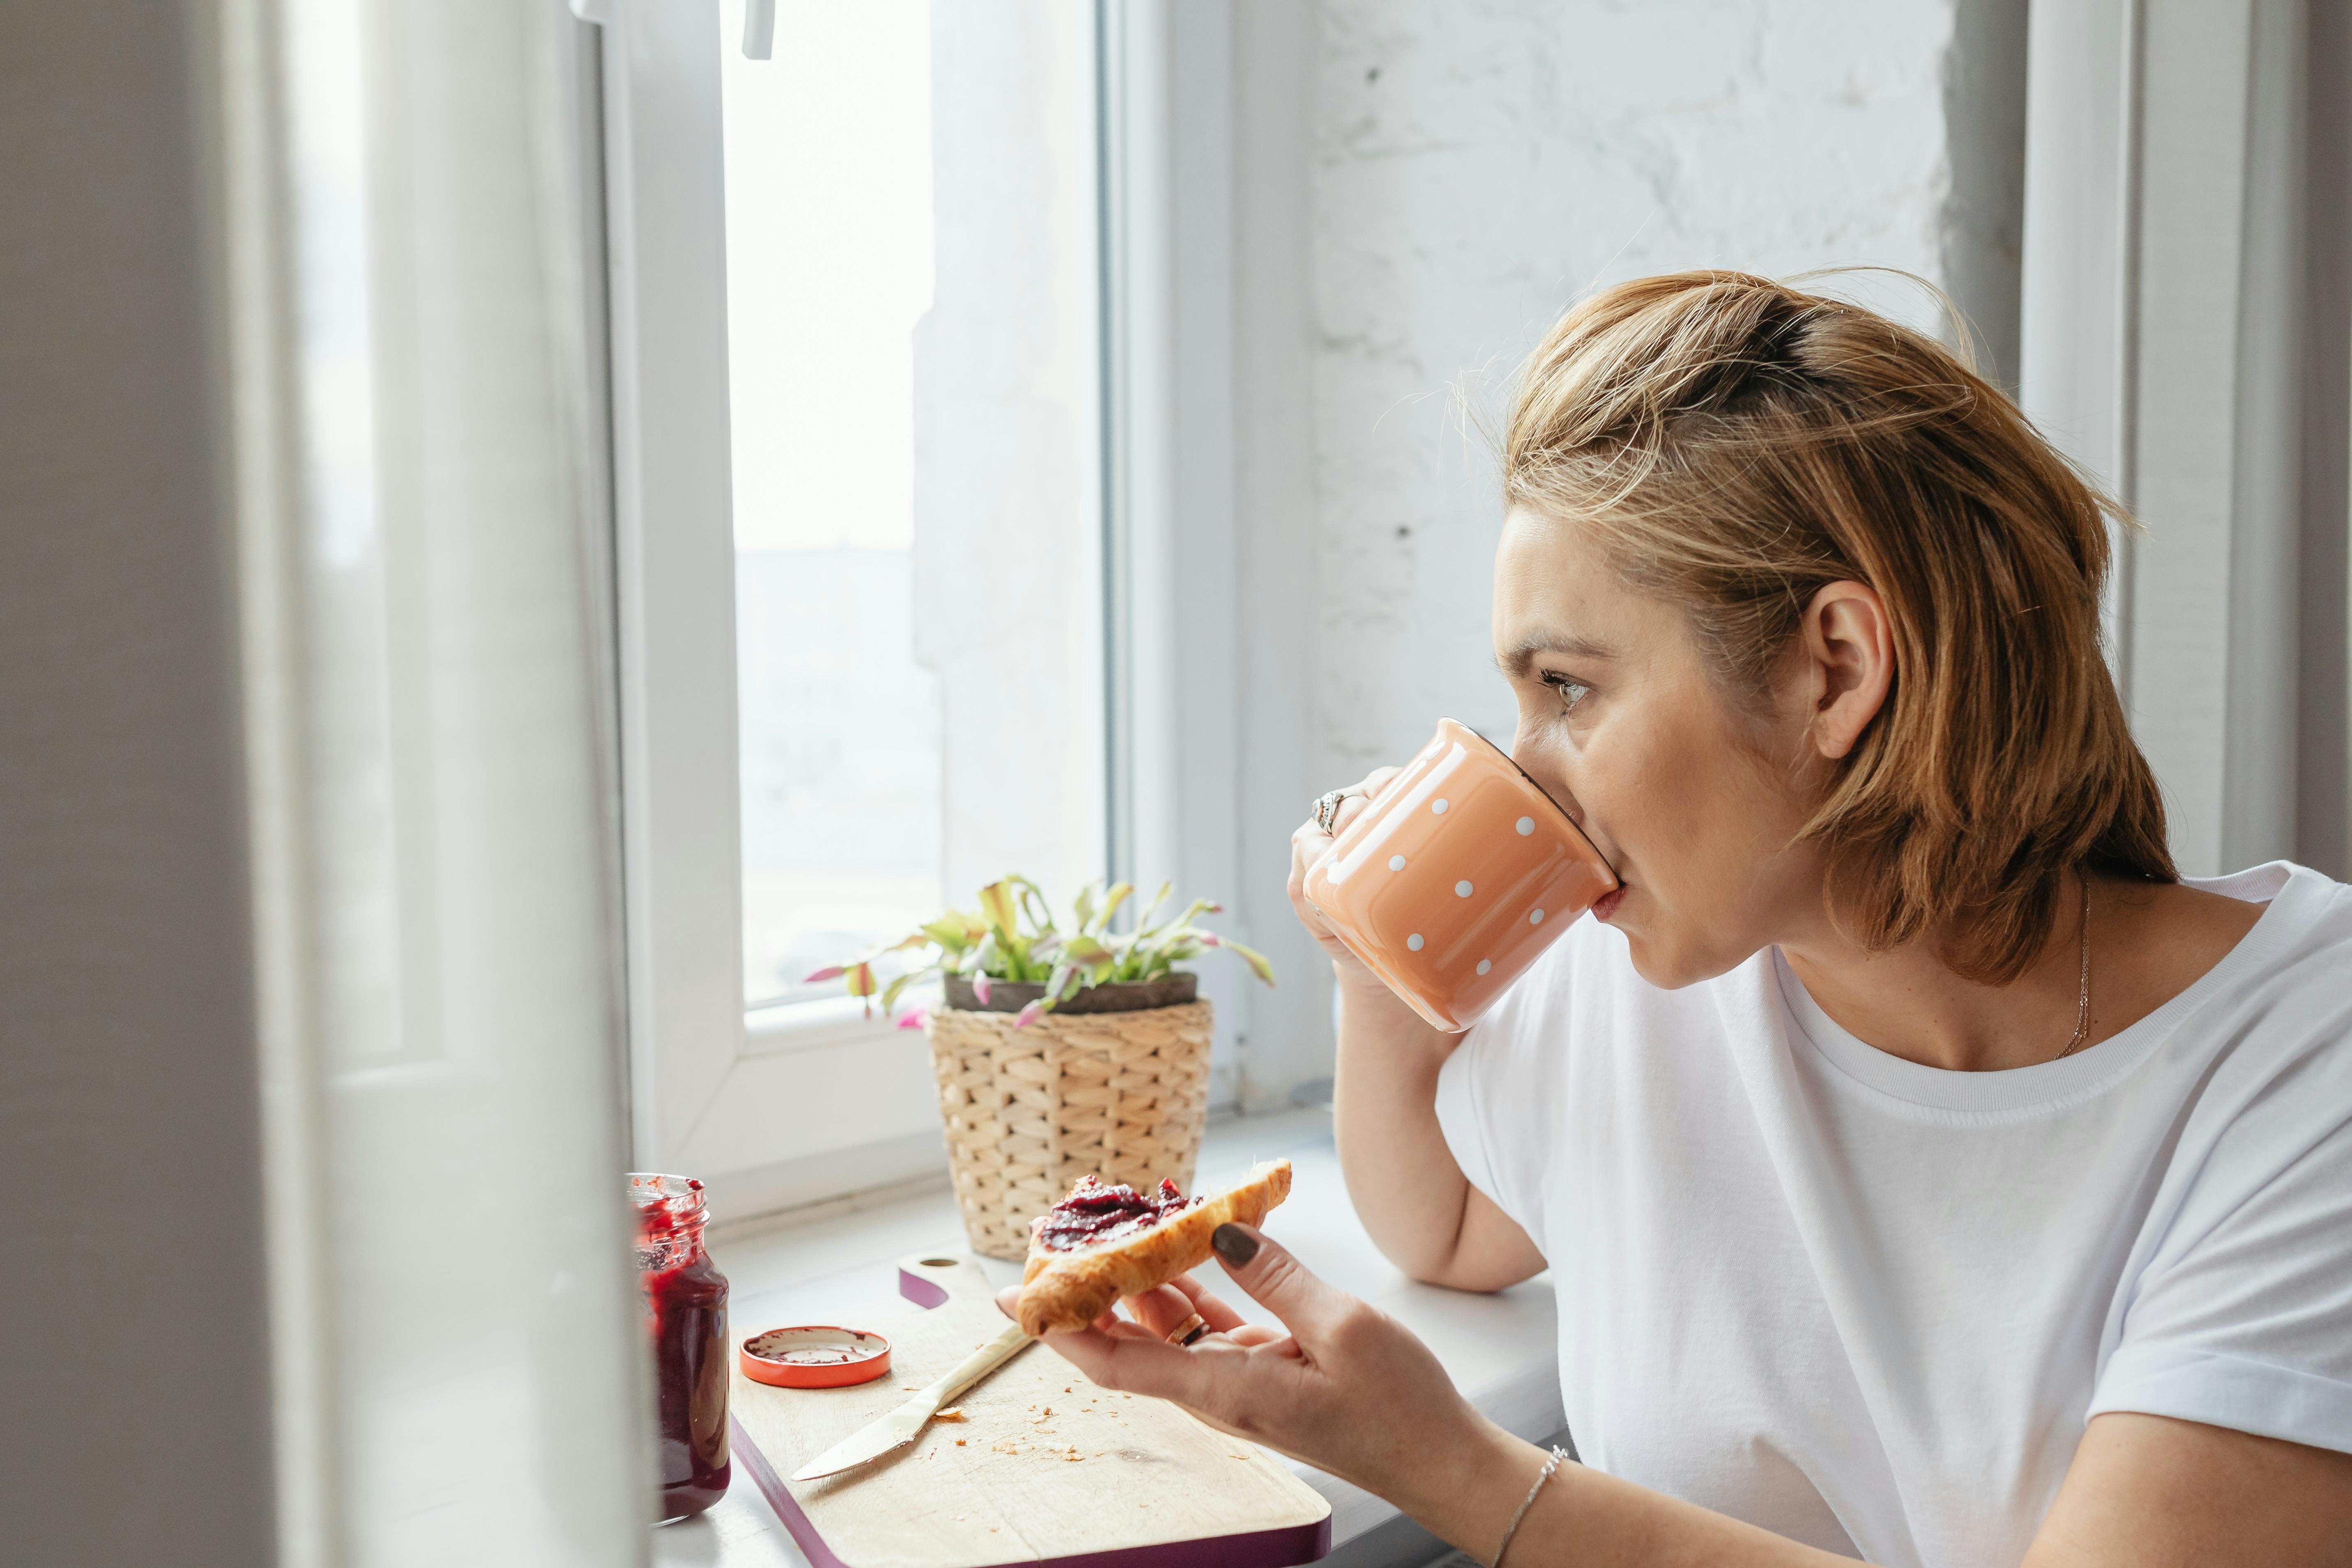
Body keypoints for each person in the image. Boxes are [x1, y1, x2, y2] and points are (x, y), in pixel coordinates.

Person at [997, 272, 2352, 1566]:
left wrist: (1459, 1471)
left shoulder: (2304, 1057)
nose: (1521, 768)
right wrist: (1375, 964)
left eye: (1569, 688)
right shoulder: (1664, 962)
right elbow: (1451, 1230)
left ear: (1836, 669)